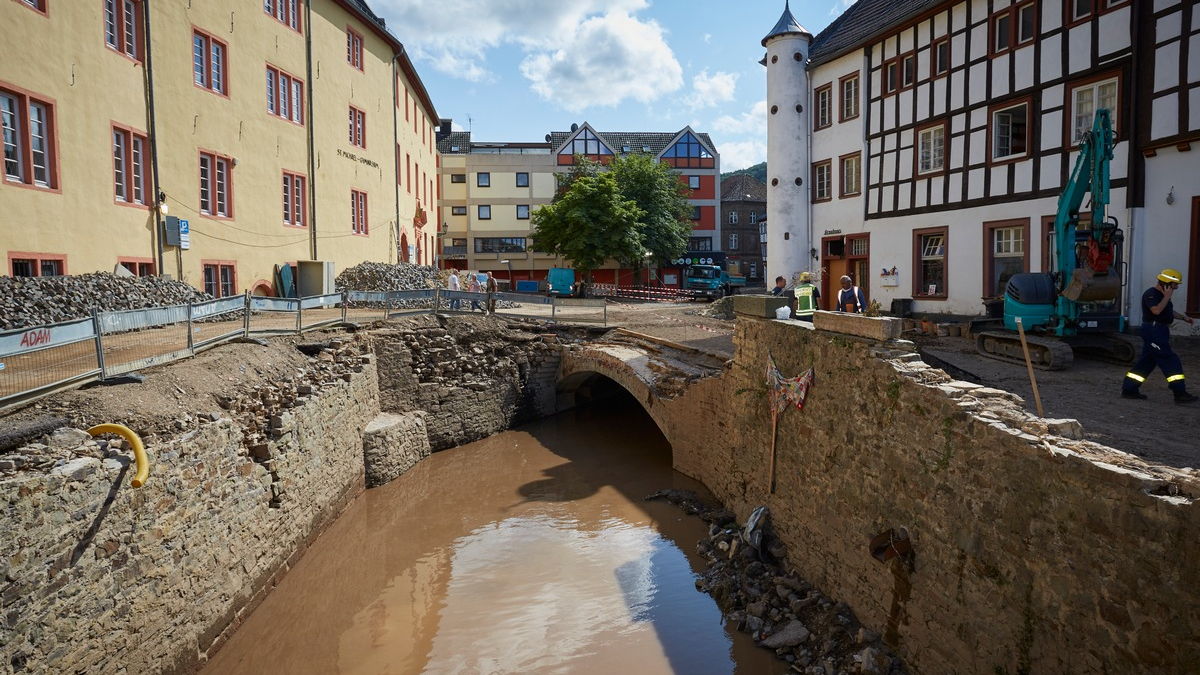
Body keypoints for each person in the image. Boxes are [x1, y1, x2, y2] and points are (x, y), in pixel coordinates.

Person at [1121, 268, 1197, 404]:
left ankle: (1129, 388)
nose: (1177, 287)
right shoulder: (1151, 294)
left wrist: (1184, 318)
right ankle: (1179, 392)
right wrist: (1167, 297)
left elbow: (1168, 309)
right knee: (1169, 359)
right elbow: (1156, 310)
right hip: (1154, 330)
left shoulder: (1162, 296)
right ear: (1167, 283)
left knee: (1147, 361)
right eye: (1175, 284)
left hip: (1158, 330)